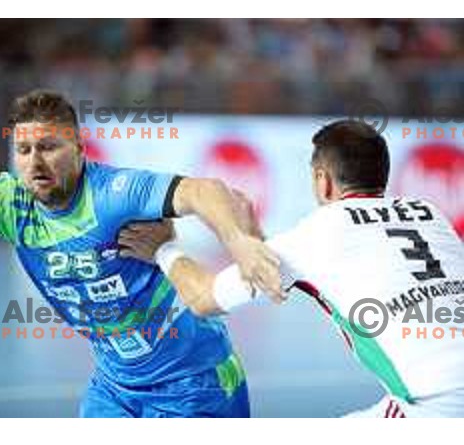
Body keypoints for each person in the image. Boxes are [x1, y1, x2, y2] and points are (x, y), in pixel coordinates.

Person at [0, 89, 283, 418]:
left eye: (49, 147)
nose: (34, 162)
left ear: (81, 149)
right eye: (24, 151)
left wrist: (239, 242)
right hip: (115, 388)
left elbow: (205, 190)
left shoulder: (113, 194)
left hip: (195, 382)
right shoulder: (8, 202)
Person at [118, 120, 464, 417]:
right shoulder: (430, 213)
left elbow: (203, 299)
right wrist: (257, 240)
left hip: (436, 404)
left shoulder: (318, 230)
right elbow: (308, 271)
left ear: (322, 180)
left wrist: (163, 248)